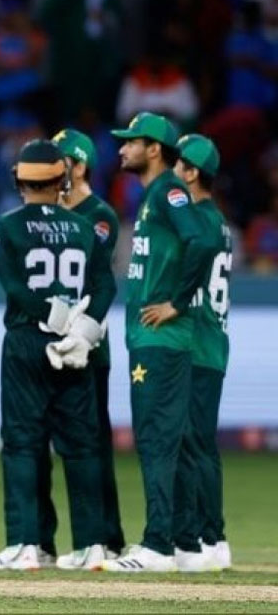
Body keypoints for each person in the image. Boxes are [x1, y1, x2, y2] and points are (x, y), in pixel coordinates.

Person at [0, 139, 111, 571]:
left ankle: (26, 544)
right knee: (82, 446)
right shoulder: (84, 228)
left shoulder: (5, 226)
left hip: (27, 340)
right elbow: (106, 286)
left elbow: (15, 288)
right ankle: (92, 545)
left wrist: (54, 320)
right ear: (63, 180)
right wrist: (81, 329)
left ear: (18, 180)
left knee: (22, 443)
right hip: (76, 347)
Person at [101, 112, 217, 572]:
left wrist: (177, 302)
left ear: (154, 149)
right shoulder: (154, 195)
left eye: (132, 141)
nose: (122, 148)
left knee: (155, 440)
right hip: (155, 338)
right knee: (173, 439)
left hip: (161, 338)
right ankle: (185, 545)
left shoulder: (168, 191)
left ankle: (157, 546)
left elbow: (201, 241)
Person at [33, 128, 124, 570]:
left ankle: (105, 539)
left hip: (87, 348)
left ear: (80, 166)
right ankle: (41, 542)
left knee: (91, 446)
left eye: (60, 161)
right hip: (42, 344)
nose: (52, 168)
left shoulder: (99, 216)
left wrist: (80, 333)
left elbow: (94, 280)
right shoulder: (43, 214)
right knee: (38, 445)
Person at [172, 134, 233, 571]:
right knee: (197, 442)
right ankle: (204, 534)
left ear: (192, 173)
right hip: (209, 341)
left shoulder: (199, 222)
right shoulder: (217, 220)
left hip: (199, 341)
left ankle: (210, 537)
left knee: (196, 442)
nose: (172, 172)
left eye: (178, 165)